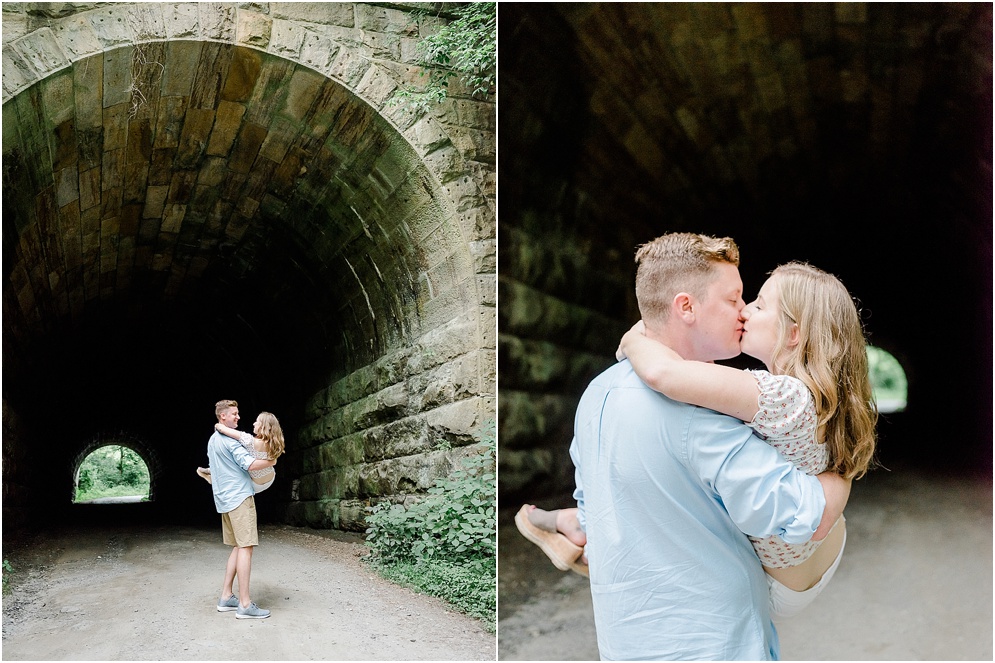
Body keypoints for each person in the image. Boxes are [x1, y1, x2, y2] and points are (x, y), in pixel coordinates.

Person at [520, 233, 851, 660]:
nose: (743, 312)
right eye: (734, 299)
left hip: (625, 642)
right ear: (686, 307)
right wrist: (840, 478)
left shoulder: (596, 393)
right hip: (715, 642)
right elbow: (797, 513)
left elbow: (595, 500)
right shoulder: (705, 417)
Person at [615, 260, 877, 619]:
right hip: (813, 556)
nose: (746, 310)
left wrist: (634, 337)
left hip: (780, 584)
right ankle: (580, 535)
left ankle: (589, 544)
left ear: (794, 333)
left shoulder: (783, 397)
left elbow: (664, 372)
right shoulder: (815, 395)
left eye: (759, 304)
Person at [207, 399, 276, 619]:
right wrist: (271, 462)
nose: (238, 417)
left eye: (238, 413)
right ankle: (245, 604)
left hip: (225, 500)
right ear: (222, 417)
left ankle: (226, 597)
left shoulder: (212, 440)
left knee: (238, 546)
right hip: (240, 498)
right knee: (246, 548)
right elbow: (250, 464)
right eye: (234, 414)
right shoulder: (230, 441)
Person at [197, 411, 285, 493]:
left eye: (257, 421)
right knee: (243, 459)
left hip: (253, 484)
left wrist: (219, 423)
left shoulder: (250, 441)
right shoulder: (275, 444)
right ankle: (213, 473)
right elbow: (273, 461)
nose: (254, 423)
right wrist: (271, 462)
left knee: (238, 455)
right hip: (270, 479)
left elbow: (222, 429)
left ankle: (214, 473)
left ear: (266, 426)